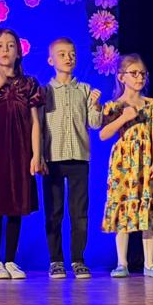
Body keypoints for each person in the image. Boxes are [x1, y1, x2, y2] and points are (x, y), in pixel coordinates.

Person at [0, 27, 45, 280]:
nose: (5, 50)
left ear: (18, 52)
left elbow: (35, 123)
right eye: (0, 46)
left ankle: (11, 260)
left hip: (20, 153)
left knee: (16, 205)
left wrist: (36, 155)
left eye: (11, 45)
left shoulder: (29, 84)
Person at [100, 54, 153, 278]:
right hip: (123, 163)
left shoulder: (152, 105)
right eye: (134, 73)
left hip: (145, 161)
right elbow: (103, 134)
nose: (139, 77)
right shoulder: (114, 106)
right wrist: (123, 118)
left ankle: (149, 263)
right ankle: (122, 263)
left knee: (148, 208)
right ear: (122, 77)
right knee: (123, 207)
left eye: (142, 74)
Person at [41, 37, 101, 279]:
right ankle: (56, 260)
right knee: (54, 212)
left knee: (79, 213)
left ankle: (78, 259)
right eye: (62, 54)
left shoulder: (84, 90)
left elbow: (94, 124)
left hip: (78, 158)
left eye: (72, 54)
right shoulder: (45, 92)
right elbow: (39, 127)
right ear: (51, 60)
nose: (68, 58)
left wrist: (96, 106)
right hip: (53, 159)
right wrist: (39, 156)